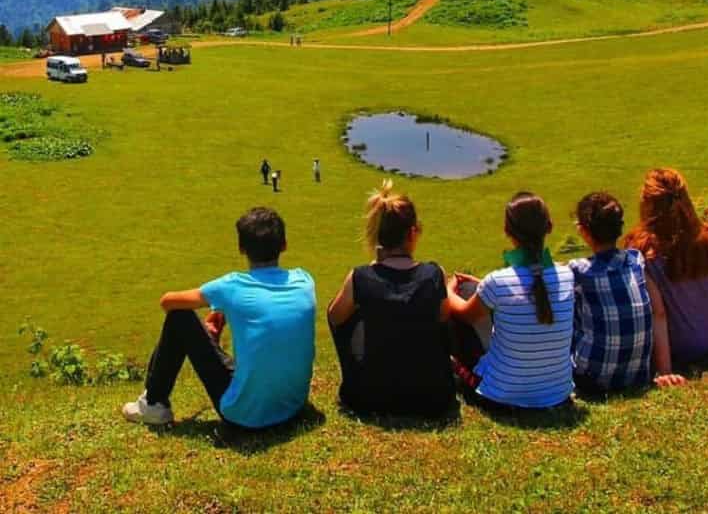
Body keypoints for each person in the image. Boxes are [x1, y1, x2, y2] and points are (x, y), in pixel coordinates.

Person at [122, 207, 316, 429]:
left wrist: (214, 314)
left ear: (241, 248)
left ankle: (153, 404)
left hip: (245, 415)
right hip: (293, 406)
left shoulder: (232, 286)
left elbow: (168, 302)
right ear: (284, 245)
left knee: (179, 317)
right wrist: (221, 310)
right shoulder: (304, 281)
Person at [327, 180, 455, 417]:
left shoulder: (361, 277)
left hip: (368, 397)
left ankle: (356, 373)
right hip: (432, 396)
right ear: (412, 233)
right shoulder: (434, 275)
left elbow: (335, 318)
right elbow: (443, 319)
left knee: (345, 308)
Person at [448, 191, 575, 410]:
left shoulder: (497, 282)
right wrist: (482, 285)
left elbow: (463, 313)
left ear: (508, 231)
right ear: (549, 227)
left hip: (500, 395)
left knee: (461, 300)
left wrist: (448, 288)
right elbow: (531, 287)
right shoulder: (568, 275)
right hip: (558, 394)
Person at [569, 191, 683, 394]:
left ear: (584, 231)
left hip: (590, 378)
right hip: (637, 375)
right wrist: (665, 370)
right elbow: (659, 312)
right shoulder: (635, 261)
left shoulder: (578, 270)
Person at [624, 168, 708, 376]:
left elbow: (658, 312)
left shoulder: (643, 251)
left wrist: (664, 370)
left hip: (681, 346)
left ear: (647, 205)